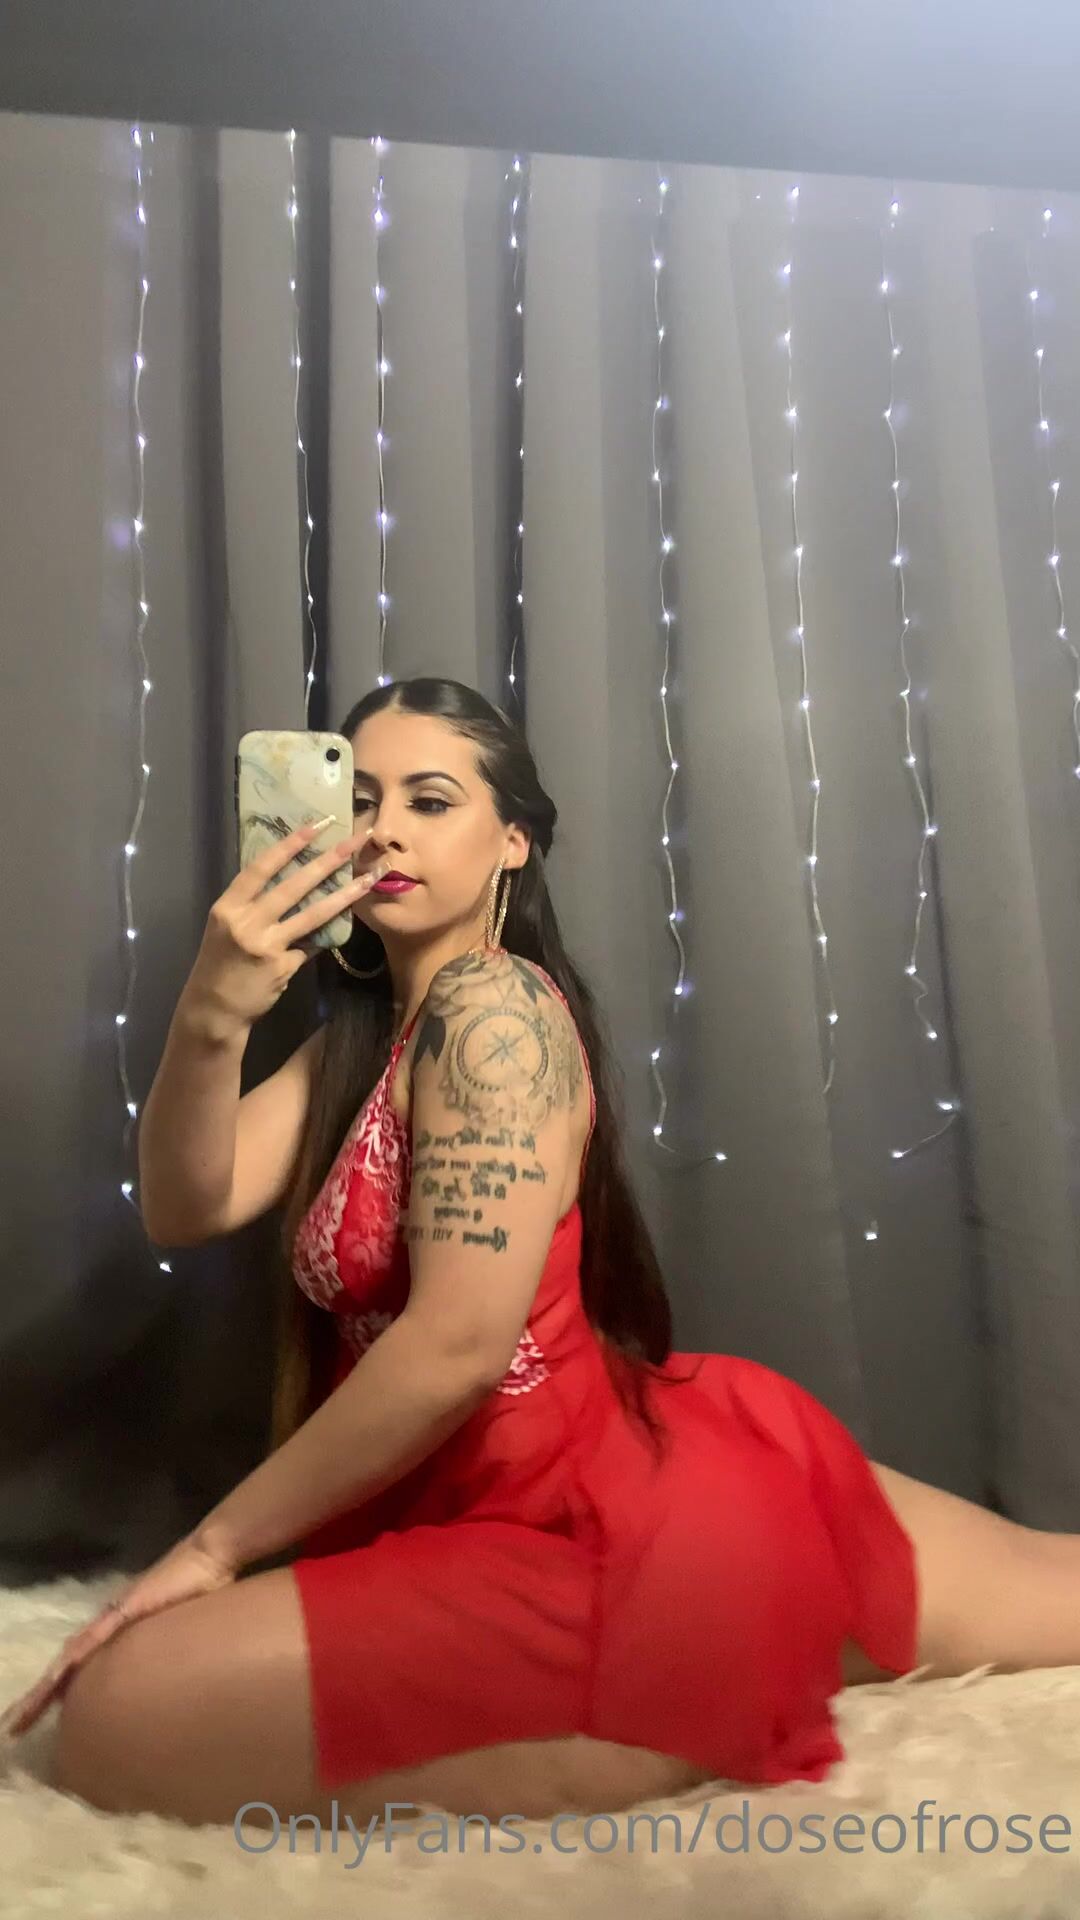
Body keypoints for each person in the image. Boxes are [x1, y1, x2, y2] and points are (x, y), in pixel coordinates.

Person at [3, 676, 1080, 1834]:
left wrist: (213, 1550)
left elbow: (460, 1345)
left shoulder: (495, 1015)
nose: (385, 831)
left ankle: (690, 1675)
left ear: (512, 840)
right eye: (360, 800)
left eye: (430, 801)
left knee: (122, 1721)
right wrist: (214, 1011)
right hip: (508, 1486)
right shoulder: (363, 1039)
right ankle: (725, 1652)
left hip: (580, 1516)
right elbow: (185, 1204)